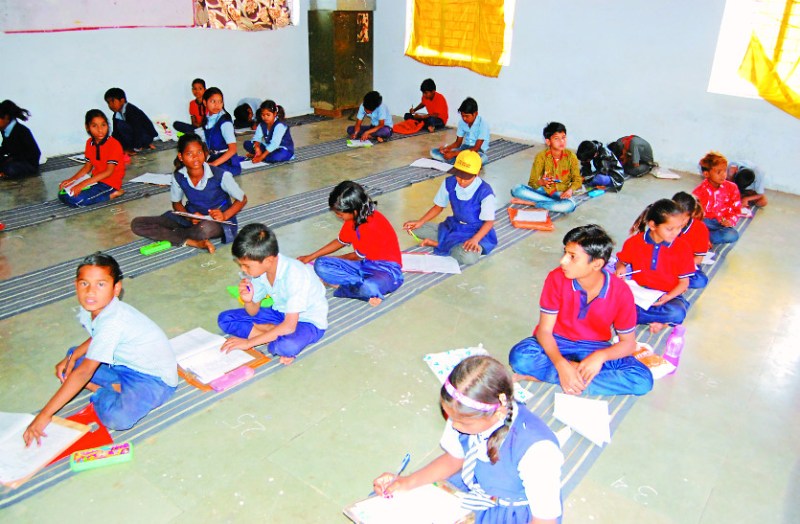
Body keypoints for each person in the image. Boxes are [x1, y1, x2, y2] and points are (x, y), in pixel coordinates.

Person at [373, 355, 563, 524]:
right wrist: (406, 482)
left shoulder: (538, 451)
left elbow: (545, 519)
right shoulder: (463, 414)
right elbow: (454, 459)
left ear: (499, 411)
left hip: (510, 511)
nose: (455, 426)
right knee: (389, 502)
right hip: (475, 482)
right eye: (450, 418)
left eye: (462, 423)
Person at [22, 253, 178, 444]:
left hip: (154, 379)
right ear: (76, 285)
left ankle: (99, 390)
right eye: (84, 284)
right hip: (124, 365)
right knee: (71, 361)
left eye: (101, 284)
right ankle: (114, 386)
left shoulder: (114, 320)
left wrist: (45, 415)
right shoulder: (93, 308)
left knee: (119, 419)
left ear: (116, 289)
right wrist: (75, 355)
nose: (90, 292)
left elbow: (86, 369)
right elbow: (98, 335)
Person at [509, 225, 653, 397]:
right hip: (557, 341)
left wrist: (600, 357)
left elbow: (628, 344)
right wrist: (562, 364)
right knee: (521, 357)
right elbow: (544, 331)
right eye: (565, 253)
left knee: (642, 380)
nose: (563, 261)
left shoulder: (621, 292)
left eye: (572, 257)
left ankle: (558, 377)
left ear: (597, 264)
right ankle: (575, 376)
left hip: (594, 347)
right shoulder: (556, 278)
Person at [217, 224, 328, 366]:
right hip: (279, 313)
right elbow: (253, 311)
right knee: (225, 319)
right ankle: (272, 333)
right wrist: (248, 301)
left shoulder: (295, 274)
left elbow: (289, 326)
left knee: (286, 346)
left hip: (306, 321)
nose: (244, 270)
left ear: (268, 260)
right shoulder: (260, 272)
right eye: (241, 265)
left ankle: (273, 335)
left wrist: (249, 343)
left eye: (247, 266)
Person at [130, 133, 247, 254]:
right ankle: (191, 241)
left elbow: (242, 199)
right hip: (190, 218)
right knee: (137, 224)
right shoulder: (179, 176)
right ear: (180, 156)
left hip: (216, 222)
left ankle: (172, 235)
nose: (196, 157)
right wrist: (189, 216)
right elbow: (176, 204)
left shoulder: (220, 175)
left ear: (205, 154)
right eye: (189, 154)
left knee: (203, 230)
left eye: (199, 153)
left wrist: (224, 215)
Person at [297, 181, 403, 307]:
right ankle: (360, 289)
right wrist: (311, 257)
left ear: (354, 210)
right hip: (364, 265)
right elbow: (340, 241)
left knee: (370, 286)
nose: (338, 215)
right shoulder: (354, 218)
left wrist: (336, 260)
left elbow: (358, 256)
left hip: (386, 270)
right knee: (321, 264)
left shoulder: (371, 224)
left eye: (340, 213)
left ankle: (358, 288)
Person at [403, 150, 497, 266]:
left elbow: (489, 222)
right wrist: (420, 222)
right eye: (459, 176)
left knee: (468, 258)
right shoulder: (449, 182)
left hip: (477, 231)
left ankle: (438, 244)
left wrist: (475, 240)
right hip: (455, 226)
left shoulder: (485, 192)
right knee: (413, 228)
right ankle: (448, 243)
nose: (461, 181)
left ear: (476, 174)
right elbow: (438, 207)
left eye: (466, 178)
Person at [616, 199, 695, 333]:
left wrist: (668, 297)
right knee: (607, 296)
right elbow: (622, 260)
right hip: (638, 292)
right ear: (652, 225)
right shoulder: (634, 242)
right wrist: (620, 267)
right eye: (670, 229)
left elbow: (684, 283)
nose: (676, 233)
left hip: (666, 295)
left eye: (680, 227)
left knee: (677, 312)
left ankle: (629, 317)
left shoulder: (683, 247)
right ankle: (654, 320)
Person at [58, 110, 125, 207]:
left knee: (76, 200)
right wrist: (71, 180)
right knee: (62, 194)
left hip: (109, 183)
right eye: (94, 126)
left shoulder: (114, 144)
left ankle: (112, 194)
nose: (100, 130)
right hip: (95, 180)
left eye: (103, 125)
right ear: (87, 127)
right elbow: (87, 167)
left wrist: (82, 184)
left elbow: (108, 172)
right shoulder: (90, 143)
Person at [510, 122, 581, 214]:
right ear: (548, 141)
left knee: (569, 206)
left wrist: (570, 190)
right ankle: (551, 204)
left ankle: (532, 203)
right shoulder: (541, 157)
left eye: (563, 137)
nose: (561, 141)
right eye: (557, 139)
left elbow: (577, 180)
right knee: (517, 189)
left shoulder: (571, 157)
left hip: (560, 194)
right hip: (543, 190)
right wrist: (541, 182)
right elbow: (532, 182)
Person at [693, 151, 741, 245]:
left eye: (725, 170)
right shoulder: (699, 192)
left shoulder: (732, 188)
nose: (724, 175)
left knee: (732, 235)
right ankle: (702, 237)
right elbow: (694, 215)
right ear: (706, 174)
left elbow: (736, 210)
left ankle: (705, 239)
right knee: (689, 226)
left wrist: (730, 221)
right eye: (719, 172)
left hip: (721, 224)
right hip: (704, 222)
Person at [196, 87, 242, 176]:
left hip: (228, 162)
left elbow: (232, 149)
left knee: (209, 172)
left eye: (220, 102)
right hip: (214, 157)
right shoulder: (207, 119)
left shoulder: (225, 121)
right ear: (205, 103)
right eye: (213, 101)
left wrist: (214, 164)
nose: (217, 105)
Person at [430, 97, 489, 164]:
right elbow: (458, 143)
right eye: (462, 116)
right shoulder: (461, 123)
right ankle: (461, 162)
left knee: (483, 159)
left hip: (477, 151)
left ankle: (457, 161)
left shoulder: (483, 124)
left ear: (475, 114)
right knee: (434, 151)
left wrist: (454, 154)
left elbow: (476, 148)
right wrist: (447, 149)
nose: (464, 118)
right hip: (464, 148)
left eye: (467, 116)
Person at [672, 191, 710, 289]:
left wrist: (677, 269)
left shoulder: (700, 229)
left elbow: (698, 259)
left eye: (683, 218)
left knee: (700, 281)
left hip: (684, 265)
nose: (679, 222)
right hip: (662, 261)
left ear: (692, 214)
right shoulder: (663, 221)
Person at [104, 87, 158, 153]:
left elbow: (137, 129)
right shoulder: (116, 114)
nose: (110, 105)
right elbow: (116, 133)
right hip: (136, 137)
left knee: (121, 126)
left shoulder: (131, 110)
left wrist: (136, 147)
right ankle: (139, 145)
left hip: (145, 136)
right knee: (119, 132)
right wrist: (114, 145)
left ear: (122, 100)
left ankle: (141, 145)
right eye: (108, 103)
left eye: (113, 101)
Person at [0, 100, 41, 179]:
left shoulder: (21, 131)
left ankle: (4, 172)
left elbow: (35, 153)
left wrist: (12, 159)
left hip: (27, 164)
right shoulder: (4, 131)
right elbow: (5, 148)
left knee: (11, 168)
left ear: (6, 118)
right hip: (14, 160)